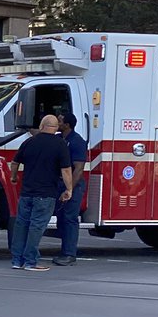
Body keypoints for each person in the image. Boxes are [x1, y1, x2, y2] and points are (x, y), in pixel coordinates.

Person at [9, 114, 72, 272]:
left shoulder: (29, 142)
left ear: (42, 125)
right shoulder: (60, 144)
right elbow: (65, 169)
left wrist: (14, 177)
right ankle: (31, 261)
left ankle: (17, 260)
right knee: (37, 226)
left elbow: (15, 162)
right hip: (46, 194)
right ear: (56, 127)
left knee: (22, 225)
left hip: (27, 192)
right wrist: (68, 189)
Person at [52, 112, 88, 266]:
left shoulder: (77, 142)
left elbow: (78, 169)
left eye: (60, 121)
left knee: (69, 219)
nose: (57, 122)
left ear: (67, 125)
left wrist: (69, 189)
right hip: (60, 184)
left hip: (73, 185)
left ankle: (69, 254)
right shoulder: (60, 139)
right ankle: (64, 250)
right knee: (61, 218)